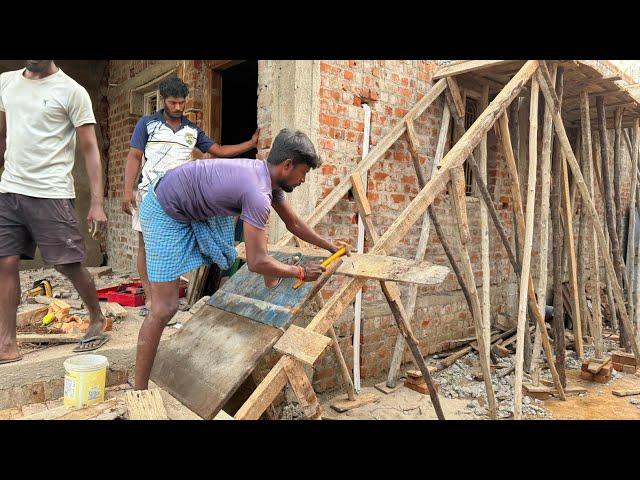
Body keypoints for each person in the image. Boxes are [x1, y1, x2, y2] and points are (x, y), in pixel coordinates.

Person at [133, 128, 349, 389]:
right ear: (287, 165)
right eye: (303, 172)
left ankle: (273, 275)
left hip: (186, 195)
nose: (303, 179)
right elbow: (256, 262)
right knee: (164, 308)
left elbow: (293, 223)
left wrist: (329, 246)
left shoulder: (265, 176)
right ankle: (139, 390)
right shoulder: (258, 193)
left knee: (258, 225)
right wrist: (300, 273)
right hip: (163, 209)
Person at [0, 60, 109, 362]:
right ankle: (7, 344)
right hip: (9, 191)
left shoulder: (72, 91)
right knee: (5, 263)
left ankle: (97, 318)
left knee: (67, 264)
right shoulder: (6, 82)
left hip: (51, 193)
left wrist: (97, 202)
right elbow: (1, 135)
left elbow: (89, 149)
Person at [121, 76, 258, 307]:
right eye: (173, 102)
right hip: (148, 194)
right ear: (163, 100)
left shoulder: (192, 130)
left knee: (174, 245)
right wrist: (127, 192)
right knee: (146, 245)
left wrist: (250, 144)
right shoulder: (147, 124)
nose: (177, 107)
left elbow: (219, 150)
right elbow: (134, 156)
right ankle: (152, 300)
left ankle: (167, 298)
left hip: (178, 198)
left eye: (181, 102)